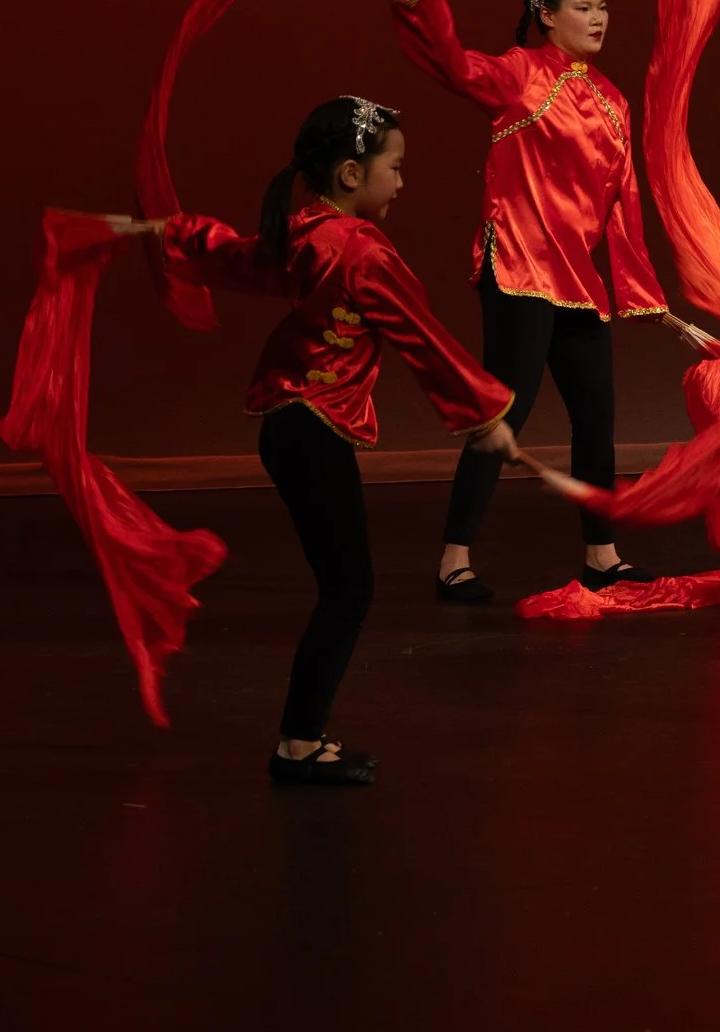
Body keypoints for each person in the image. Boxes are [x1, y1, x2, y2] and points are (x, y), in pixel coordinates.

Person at [130, 96, 518, 784]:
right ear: (349, 174)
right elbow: (422, 337)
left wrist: (181, 233)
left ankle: (302, 739)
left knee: (345, 586)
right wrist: (485, 419)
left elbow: (245, 259)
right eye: (393, 166)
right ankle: (299, 744)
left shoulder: (310, 231)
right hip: (313, 425)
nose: (400, 181)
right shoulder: (361, 251)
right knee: (349, 589)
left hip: (291, 425)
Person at [387, 0, 698, 603]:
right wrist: (428, 1)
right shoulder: (519, 75)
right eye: (583, 6)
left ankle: (602, 555)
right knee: (504, 412)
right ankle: (454, 557)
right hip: (522, 269)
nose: (598, 17)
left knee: (596, 418)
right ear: (546, 15)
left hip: (578, 282)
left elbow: (624, 208)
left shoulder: (613, 100)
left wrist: (651, 303)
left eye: (603, 7)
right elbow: (453, 64)